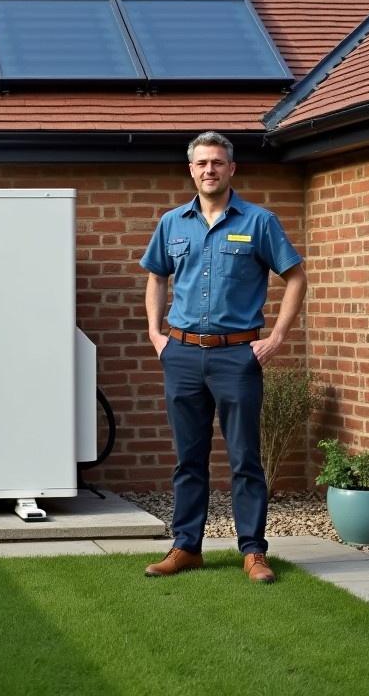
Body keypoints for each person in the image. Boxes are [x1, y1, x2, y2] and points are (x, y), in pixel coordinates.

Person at [140, 130, 307, 583]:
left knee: (244, 459)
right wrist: (157, 336)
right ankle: (186, 548)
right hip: (183, 355)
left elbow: (295, 276)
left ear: (232, 168)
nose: (209, 170)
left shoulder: (259, 221)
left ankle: (253, 552)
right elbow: (156, 276)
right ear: (191, 170)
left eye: (217, 162)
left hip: (238, 357)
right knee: (188, 459)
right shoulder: (172, 222)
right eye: (201, 163)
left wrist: (275, 339)